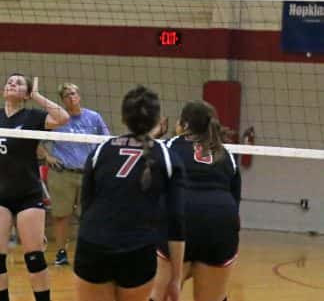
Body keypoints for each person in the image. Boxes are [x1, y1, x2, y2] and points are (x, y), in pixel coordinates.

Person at [0, 74, 70, 301]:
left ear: (26, 94)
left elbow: (63, 117)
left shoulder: (33, 116)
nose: (12, 84)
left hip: (28, 194)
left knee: (34, 256)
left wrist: (38, 97)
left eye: (19, 83)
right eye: (10, 81)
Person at [73, 85, 185, 301]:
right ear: (157, 119)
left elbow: (85, 206)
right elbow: (176, 224)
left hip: (94, 245)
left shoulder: (101, 150)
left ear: (124, 117)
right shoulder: (168, 157)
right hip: (137, 250)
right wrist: (175, 278)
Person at [150, 101, 241, 301]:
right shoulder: (226, 154)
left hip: (181, 218)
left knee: (161, 295)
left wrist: (153, 135)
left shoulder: (168, 147)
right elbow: (235, 199)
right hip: (220, 222)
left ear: (183, 124)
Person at [36, 82, 109, 266]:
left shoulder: (94, 117)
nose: (72, 97)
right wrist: (48, 156)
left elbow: (107, 141)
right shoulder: (58, 119)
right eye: (67, 95)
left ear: (79, 95)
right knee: (61, 215)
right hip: (62, 174)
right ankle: (61, 253)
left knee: (90, 215)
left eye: (74, 93)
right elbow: (35, 142)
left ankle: (88, 252)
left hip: (88, 174)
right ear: (62, 100)